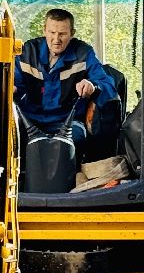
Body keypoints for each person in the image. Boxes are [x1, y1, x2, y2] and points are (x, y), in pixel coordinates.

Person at [14, 8, 120, 162]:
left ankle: (72, 177)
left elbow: (108, 85)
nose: (56, 39)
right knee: (10, 140)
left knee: (71, 145)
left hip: (69, 122)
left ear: (72, 33)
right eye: (52, 32)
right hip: (29, 120)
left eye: (62, 34)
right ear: (44, 31)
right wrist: (11, 89)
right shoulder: (26, 52)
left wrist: (93, 85)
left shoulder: (83, 53)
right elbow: (15, 84)